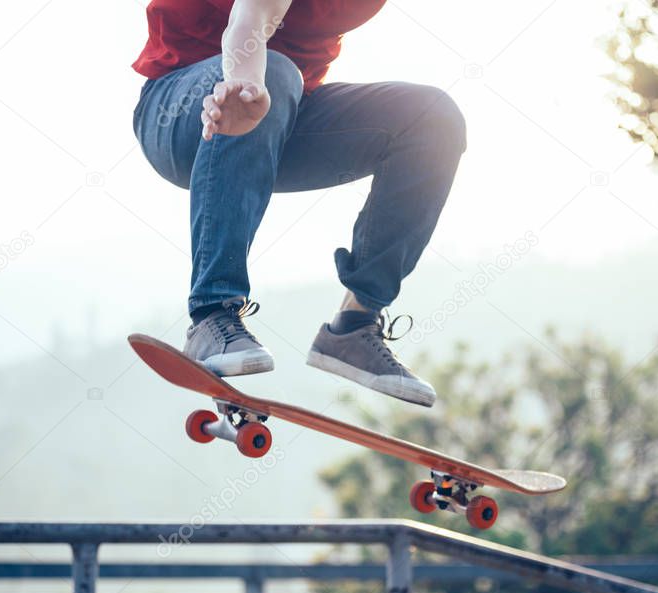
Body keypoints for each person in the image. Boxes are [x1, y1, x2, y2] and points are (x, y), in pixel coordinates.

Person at [131, 0, 467, 406]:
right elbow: (251, 18)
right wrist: (244, 87)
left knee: (433, 118)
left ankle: (354, 326)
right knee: (275, 70)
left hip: (282, 111)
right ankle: (211, 314)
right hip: (179, 110)